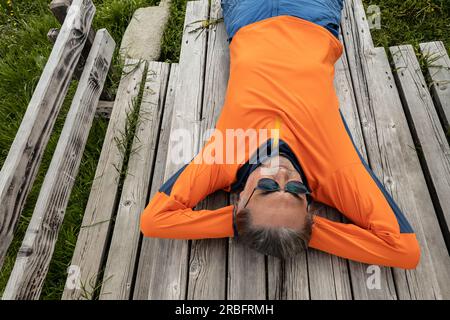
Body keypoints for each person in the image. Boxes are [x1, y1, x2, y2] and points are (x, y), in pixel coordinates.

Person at [140, 0, 421, 269]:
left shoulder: (223, 158)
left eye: (267, 188)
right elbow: (403, 250)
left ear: (238, 204)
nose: (283, 177)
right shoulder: (335, 171)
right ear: (310, 206)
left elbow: (154, 221)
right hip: (313, 13)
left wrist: (238, 223)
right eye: (297, 192)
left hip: (248, 14)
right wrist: (305, 230)